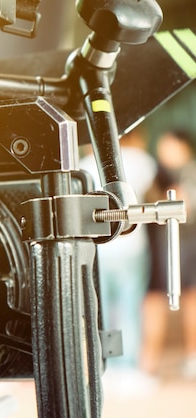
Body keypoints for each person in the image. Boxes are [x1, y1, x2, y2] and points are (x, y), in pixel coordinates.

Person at [79, 126, 158, 382]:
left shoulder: (86, 164)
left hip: (100, 249)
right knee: (129, 307)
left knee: (101, 307)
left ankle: (106, 365)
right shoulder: (140, 161)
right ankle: (128, 367)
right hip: (132, 248)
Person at [140, 129, 196, 379]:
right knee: (154, 301)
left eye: (169, 146)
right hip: (161, 250)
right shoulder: (156, 174)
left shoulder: (191, 173)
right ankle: (147, 362)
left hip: (190, 247)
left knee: (192, 301)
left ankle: (192, 356)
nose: (164, 152)